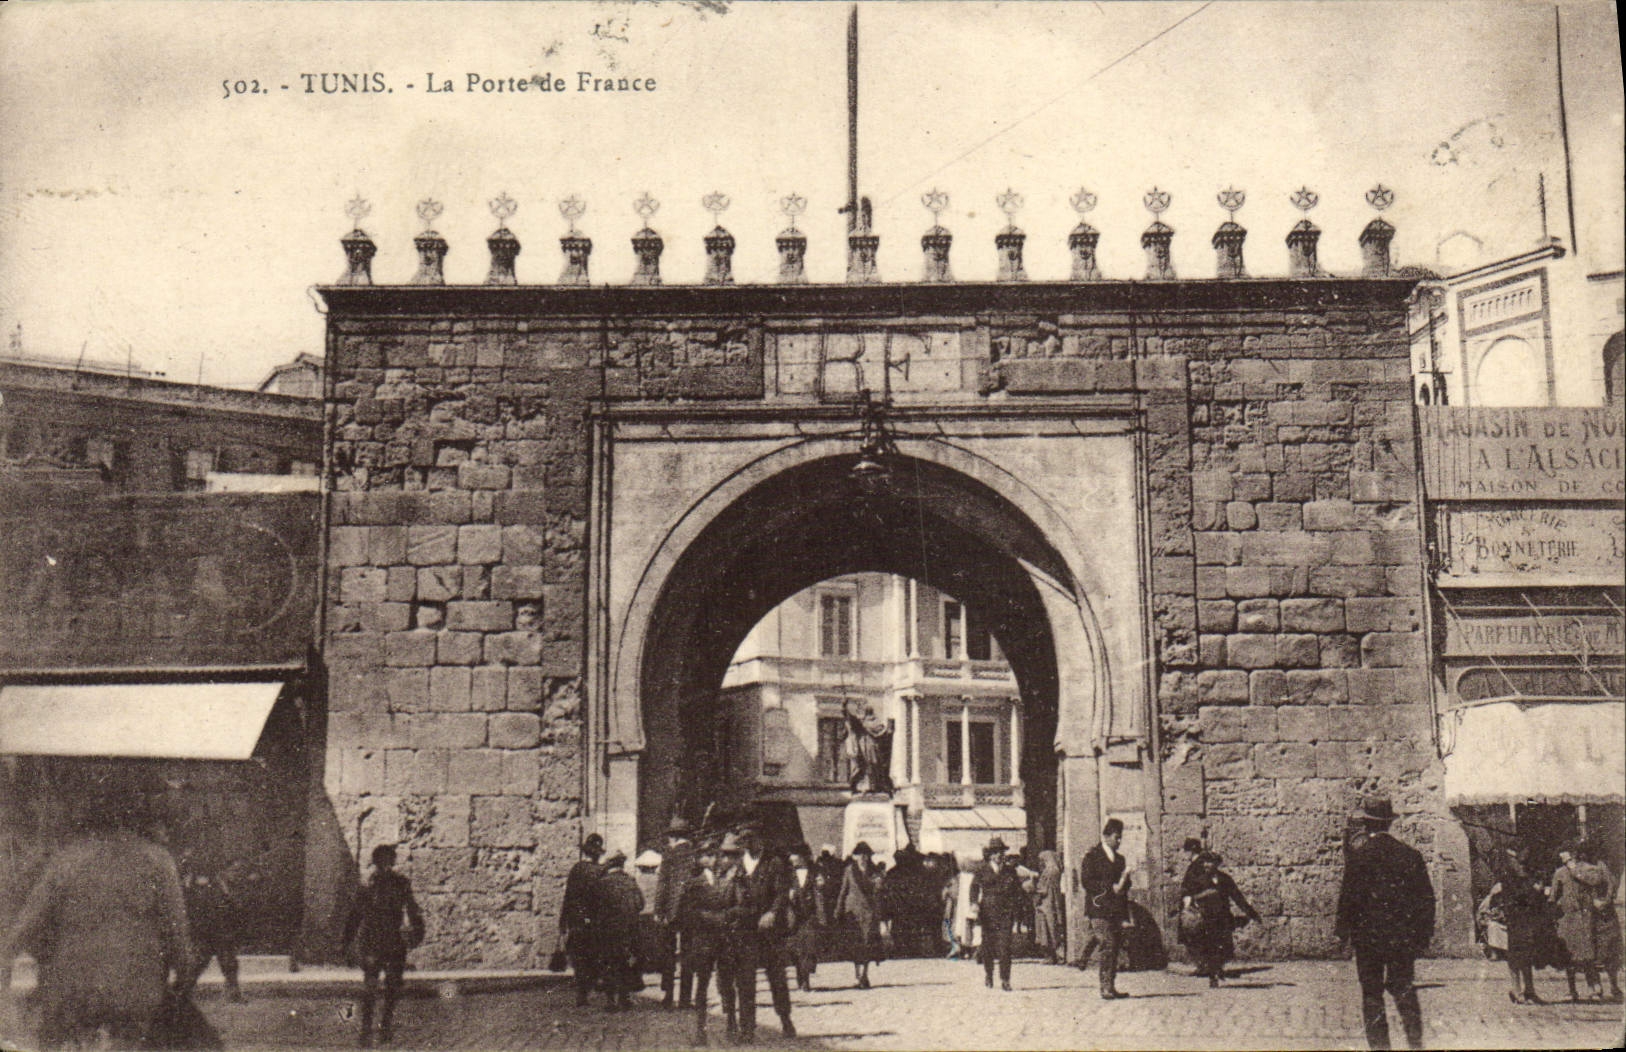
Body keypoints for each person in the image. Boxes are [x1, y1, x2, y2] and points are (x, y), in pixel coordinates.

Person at [1, 793, 192, 1050]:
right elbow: (178, 935)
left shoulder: (66, 861)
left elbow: (24, 928)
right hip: (135, 993)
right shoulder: (158, 861)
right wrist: (182, 983)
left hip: (71, 993)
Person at [1334, 795, 1434, 1051]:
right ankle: (1415, 1043)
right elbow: (1425, 899)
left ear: (1366, 825)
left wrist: (1343, 933)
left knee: (1371, 993)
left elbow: (1348, 897)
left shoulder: (1360, 856)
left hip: (1368, 938)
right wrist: (1423, 936)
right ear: (1389, 823)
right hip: (1401, 936)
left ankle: (1380, 1047)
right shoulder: (1410, 855)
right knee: (1404, 989)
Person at [341, 844, 425, 1049]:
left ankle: (386, 1022)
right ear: (376, 862)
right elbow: (355, 915)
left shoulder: (401, 884)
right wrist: (347, 941)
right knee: (370, 986)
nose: (386, 865)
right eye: (382, 861)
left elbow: (412, 909)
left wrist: (417, 932)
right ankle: (366, 1025)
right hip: (372, 941)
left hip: (394, 941)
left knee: (393, 986)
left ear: (393, 862)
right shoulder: (368, 886)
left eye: (389, 860)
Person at [719, 829, 796, 1042]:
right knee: (745, 981)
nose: (750, 844)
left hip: (769, 930)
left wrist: (772, 912)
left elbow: (781, 893)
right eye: (746, 841)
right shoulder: (739, 865)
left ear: (761, 840)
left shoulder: (774, 863)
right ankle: (747, 1029)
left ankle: (785, 1019)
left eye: (754, 839)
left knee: (777, 978)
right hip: (745, 931)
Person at [678, 837, 733, 1044]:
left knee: (727, 982)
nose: (710, 859)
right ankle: (700, 1030)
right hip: (703, 940)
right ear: (699, 859)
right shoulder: (693, 884)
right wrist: (712, 918)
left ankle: (732, 1024)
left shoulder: (727, 879)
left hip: (724, 939)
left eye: (713, 855)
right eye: (706, 856)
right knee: (701, 985)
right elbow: (687, 913)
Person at [1178, 850, 1260, 987]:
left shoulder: (1225, 879)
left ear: (1216, 864)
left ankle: (1217, 969)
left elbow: (1237, 897)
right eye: (1205, 862)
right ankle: (1213, 975)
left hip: (1222, 918)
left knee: (1224, 947)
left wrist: (1251, 913)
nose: (1206, 865)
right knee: (1210, 946)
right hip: (1206, 917)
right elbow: (1187, 894)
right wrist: (1191, 903)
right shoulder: (1199, 880)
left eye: (1210, 862)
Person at [1551, 842, 1613, 1003]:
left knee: (1588, 954)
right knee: (1568, 955)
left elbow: (1595, 881)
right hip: (1567, 918)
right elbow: (1553, 896)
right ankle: (1572, 990)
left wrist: (1574, 869)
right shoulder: (1559, 873)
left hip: (1585, 917)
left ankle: (1594, 987)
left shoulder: (1589, 869)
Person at [180, 857, 247, 1003]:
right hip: (210, 931)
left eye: (238, 871)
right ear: (224, 871)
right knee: (199, 964)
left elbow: (236, 907)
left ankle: (234, 993)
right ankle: (181, 992)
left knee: (228, 963)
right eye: (234, 871)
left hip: (222, 932)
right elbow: (204, 908)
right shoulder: (214, 887)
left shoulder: (229, 886)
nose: (236, 874)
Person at [1079, 818, 1132, 1000]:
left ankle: (1111, 984)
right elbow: (1087, 881)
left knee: (1115, 947)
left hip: (1115, 910)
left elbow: (1125, 888)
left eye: (1120, 838)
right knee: (1108, 945)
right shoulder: (1092, 856)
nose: (1119, 841)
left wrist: (1125, 881)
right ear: (1106, 836)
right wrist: (1110, 887)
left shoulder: (1120, 859)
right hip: (1098, 908)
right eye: (1117, 837)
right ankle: (1105, 987)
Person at [1488, 845, 1548, 1004]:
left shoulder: (1527, 875)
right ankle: (1516, 990)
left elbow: (1534, 897)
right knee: (1515, 955)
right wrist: (1533, 889)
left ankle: (1529, 990)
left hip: (1528, 918)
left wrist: (1538, 890)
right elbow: (1516, 895)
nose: (1521, 864)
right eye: (1517, 860)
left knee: (1527, 955)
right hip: (1515, 918)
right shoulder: (1508, 876)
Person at [653, 816, 698, 1008]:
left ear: (672, 837)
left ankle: (668, 996)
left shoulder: (669, 854)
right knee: (688, 954)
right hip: (690, 911)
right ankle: (686, 999)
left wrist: (658, 909)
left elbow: (663, 884)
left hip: (670, 911)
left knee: (668, 954)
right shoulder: (694, 855)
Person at [970, 837, 1025, 990]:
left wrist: (1018, 909)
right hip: (987, 913)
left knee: (1005, 947)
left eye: (1001, 852)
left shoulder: (1010, 871)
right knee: (988, 947)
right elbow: (974, 888)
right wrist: (974, 903)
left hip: (1006, 913)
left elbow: (1017, 891)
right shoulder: (982, 870)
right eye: (996, 853)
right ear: (990, 855)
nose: (999, 855)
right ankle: (989, 974)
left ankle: (1005, 979)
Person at [561, 833, 606, 1007]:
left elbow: (568, 896)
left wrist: (563, 921)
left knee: (579, 955)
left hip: (576, 920)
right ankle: (589, 987)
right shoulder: (600, 871)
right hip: (594, 921)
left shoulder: (576, 869)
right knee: (593, 954)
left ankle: (581, 992)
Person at [597, 850, 645, 1011]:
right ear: (622, 864)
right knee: (625, 962)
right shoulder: (630, 881)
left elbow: (594, 907)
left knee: (609, 962)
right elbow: (640, 904)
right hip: (628, 929)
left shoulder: (603, 883)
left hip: (608, 929)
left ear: (610, 864)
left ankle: (610, 1001)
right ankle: (624, 999)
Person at [835, 841, 885, 990]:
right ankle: (858, 974)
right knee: (856, 945)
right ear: (855, 856)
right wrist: (838, 910)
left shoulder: (875, 872)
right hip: (853, 914)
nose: (863, 858)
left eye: (866, 855)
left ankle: (864, 975)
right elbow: (843, 891)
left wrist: (879, 884)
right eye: (860, 855)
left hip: (869, 913)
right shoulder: (849, 871)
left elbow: (880, 893)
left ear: (869, 856)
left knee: (868, 945)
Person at [785, 844, 821, 992]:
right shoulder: (788, 874)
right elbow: (779, 891)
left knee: (809, 947)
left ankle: (806, 980)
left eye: (794, 855)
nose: (791, 858)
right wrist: (788, 894)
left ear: (802, 856)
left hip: (810, 915)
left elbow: (819, 891)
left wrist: (820, 887)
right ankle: (801, 976)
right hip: (794, 916)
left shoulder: (814, 872)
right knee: (796, 949)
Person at [1033, 849, 1066, 965]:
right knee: (1055, 928)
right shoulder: (1057, 871)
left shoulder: (1048, 872)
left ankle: (1052, 956)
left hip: (1046, 904)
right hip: (1055, 903)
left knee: (1047, 930)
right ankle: (1058, 955)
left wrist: (1032, 887)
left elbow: (1042, 889)